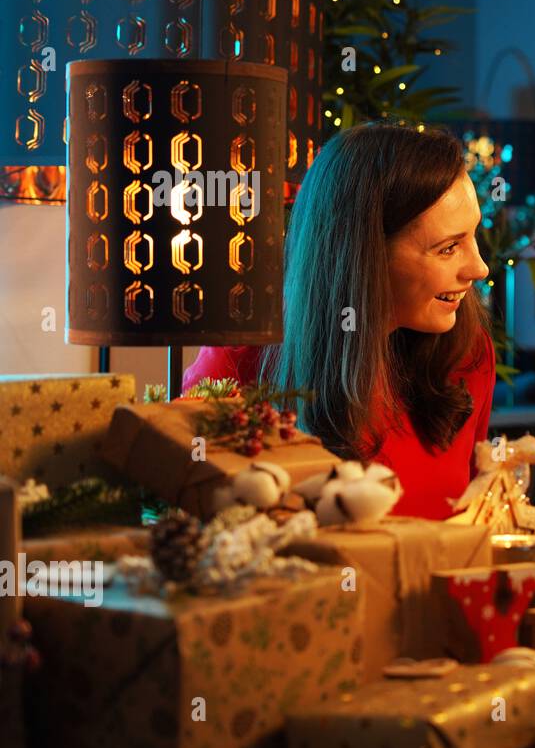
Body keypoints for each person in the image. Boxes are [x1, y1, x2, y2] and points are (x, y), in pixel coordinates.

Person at [183, 122, 494, 519]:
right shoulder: (241, 359)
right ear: (365, 256)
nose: (480, 267)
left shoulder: (468, 355)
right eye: (448, 248)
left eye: (472, 236)